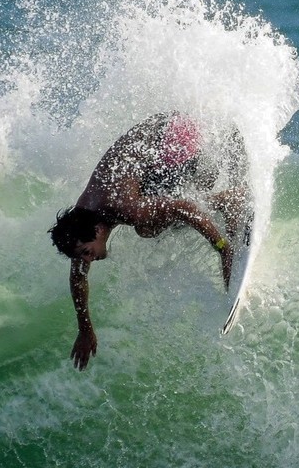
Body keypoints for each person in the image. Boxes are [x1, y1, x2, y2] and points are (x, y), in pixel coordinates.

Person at [50, 113, 248, 370]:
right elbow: (78, 276)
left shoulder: (123, 207)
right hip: (163, 139)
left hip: (176, 137)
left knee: (149, 225)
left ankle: (228, 200)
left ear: (98, 231)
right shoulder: (83, 220)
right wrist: (85, 330)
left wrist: (223, 249)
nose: (88, 260)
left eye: (87, 252)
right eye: (83, 256)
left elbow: (182, 207)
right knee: (158, 214)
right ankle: (222, 201)